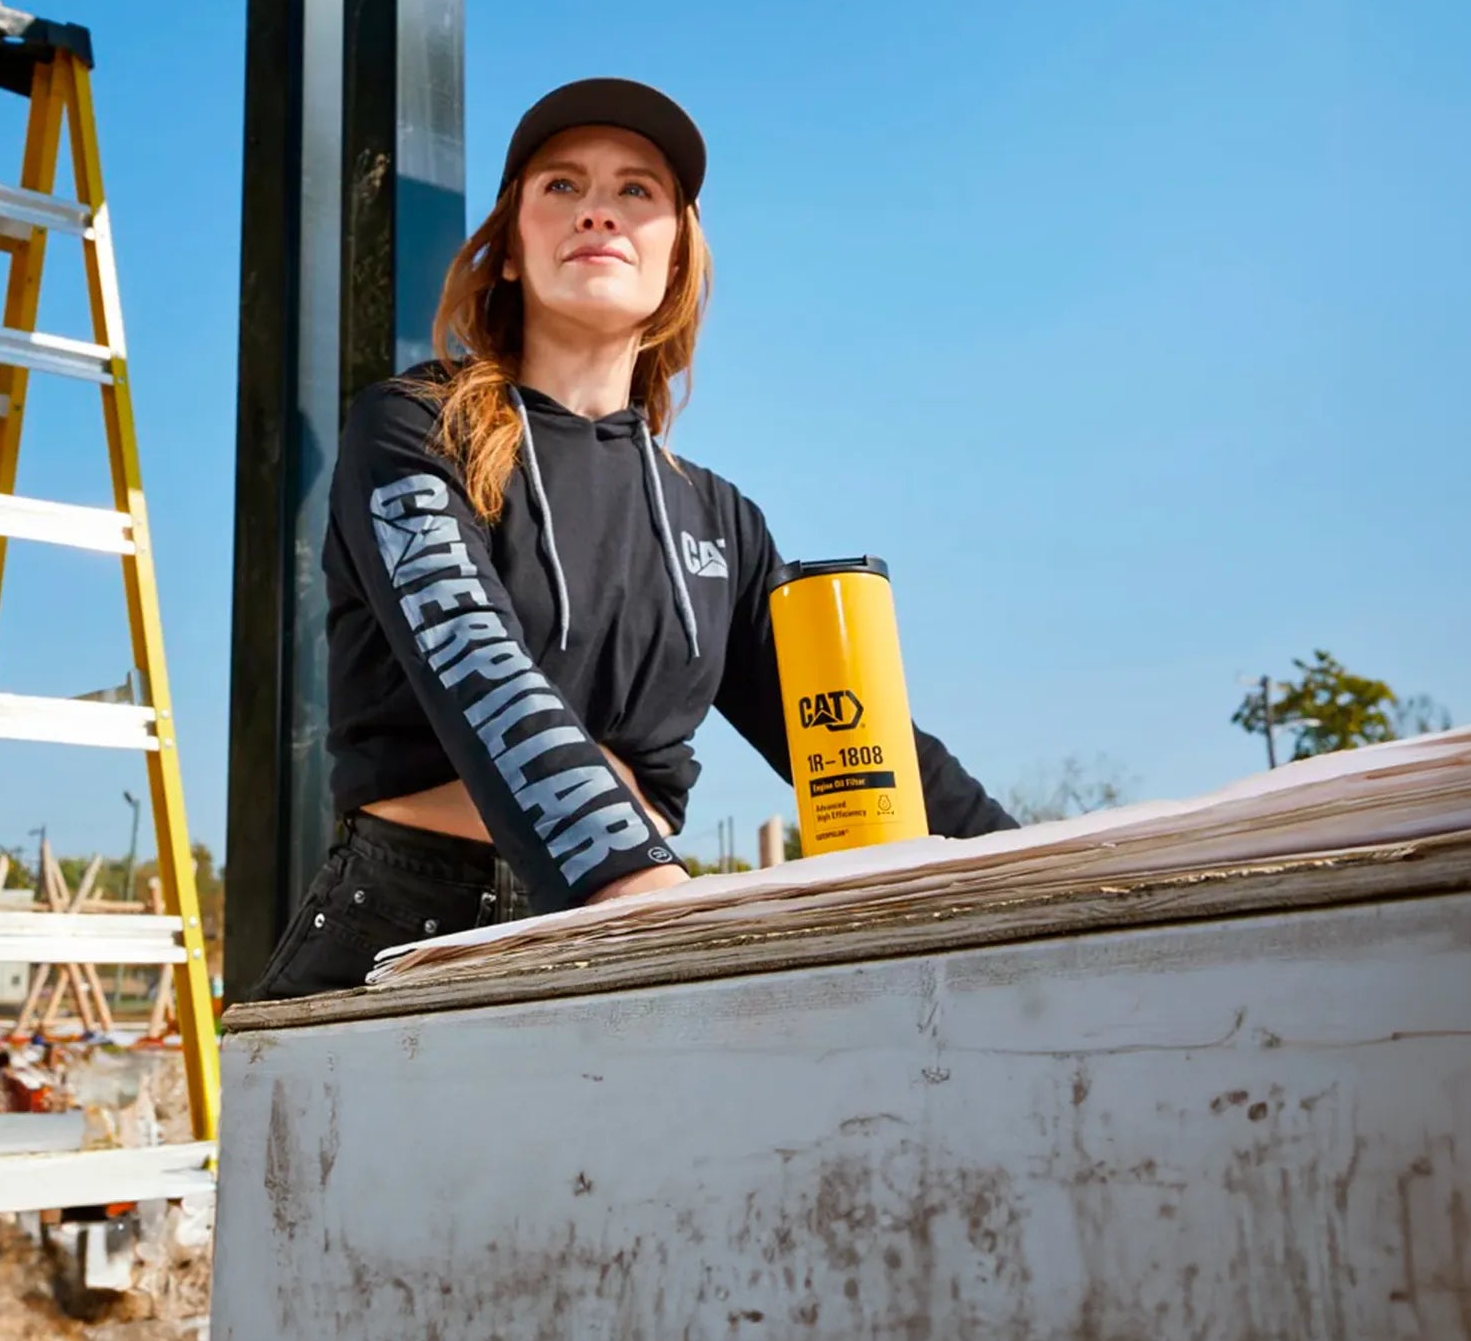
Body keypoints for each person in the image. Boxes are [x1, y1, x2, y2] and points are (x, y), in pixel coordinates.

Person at [254, 78, 1014, 999]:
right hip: (409, 939)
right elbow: (481, 672)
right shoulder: (415, 428)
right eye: (562, 187)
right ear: (507, 250)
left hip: (629, 944)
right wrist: (650, 897)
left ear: (677, 260)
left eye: (636, 192)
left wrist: (1039, 868)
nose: (598, 213)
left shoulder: (720, 520)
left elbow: (861, 752)